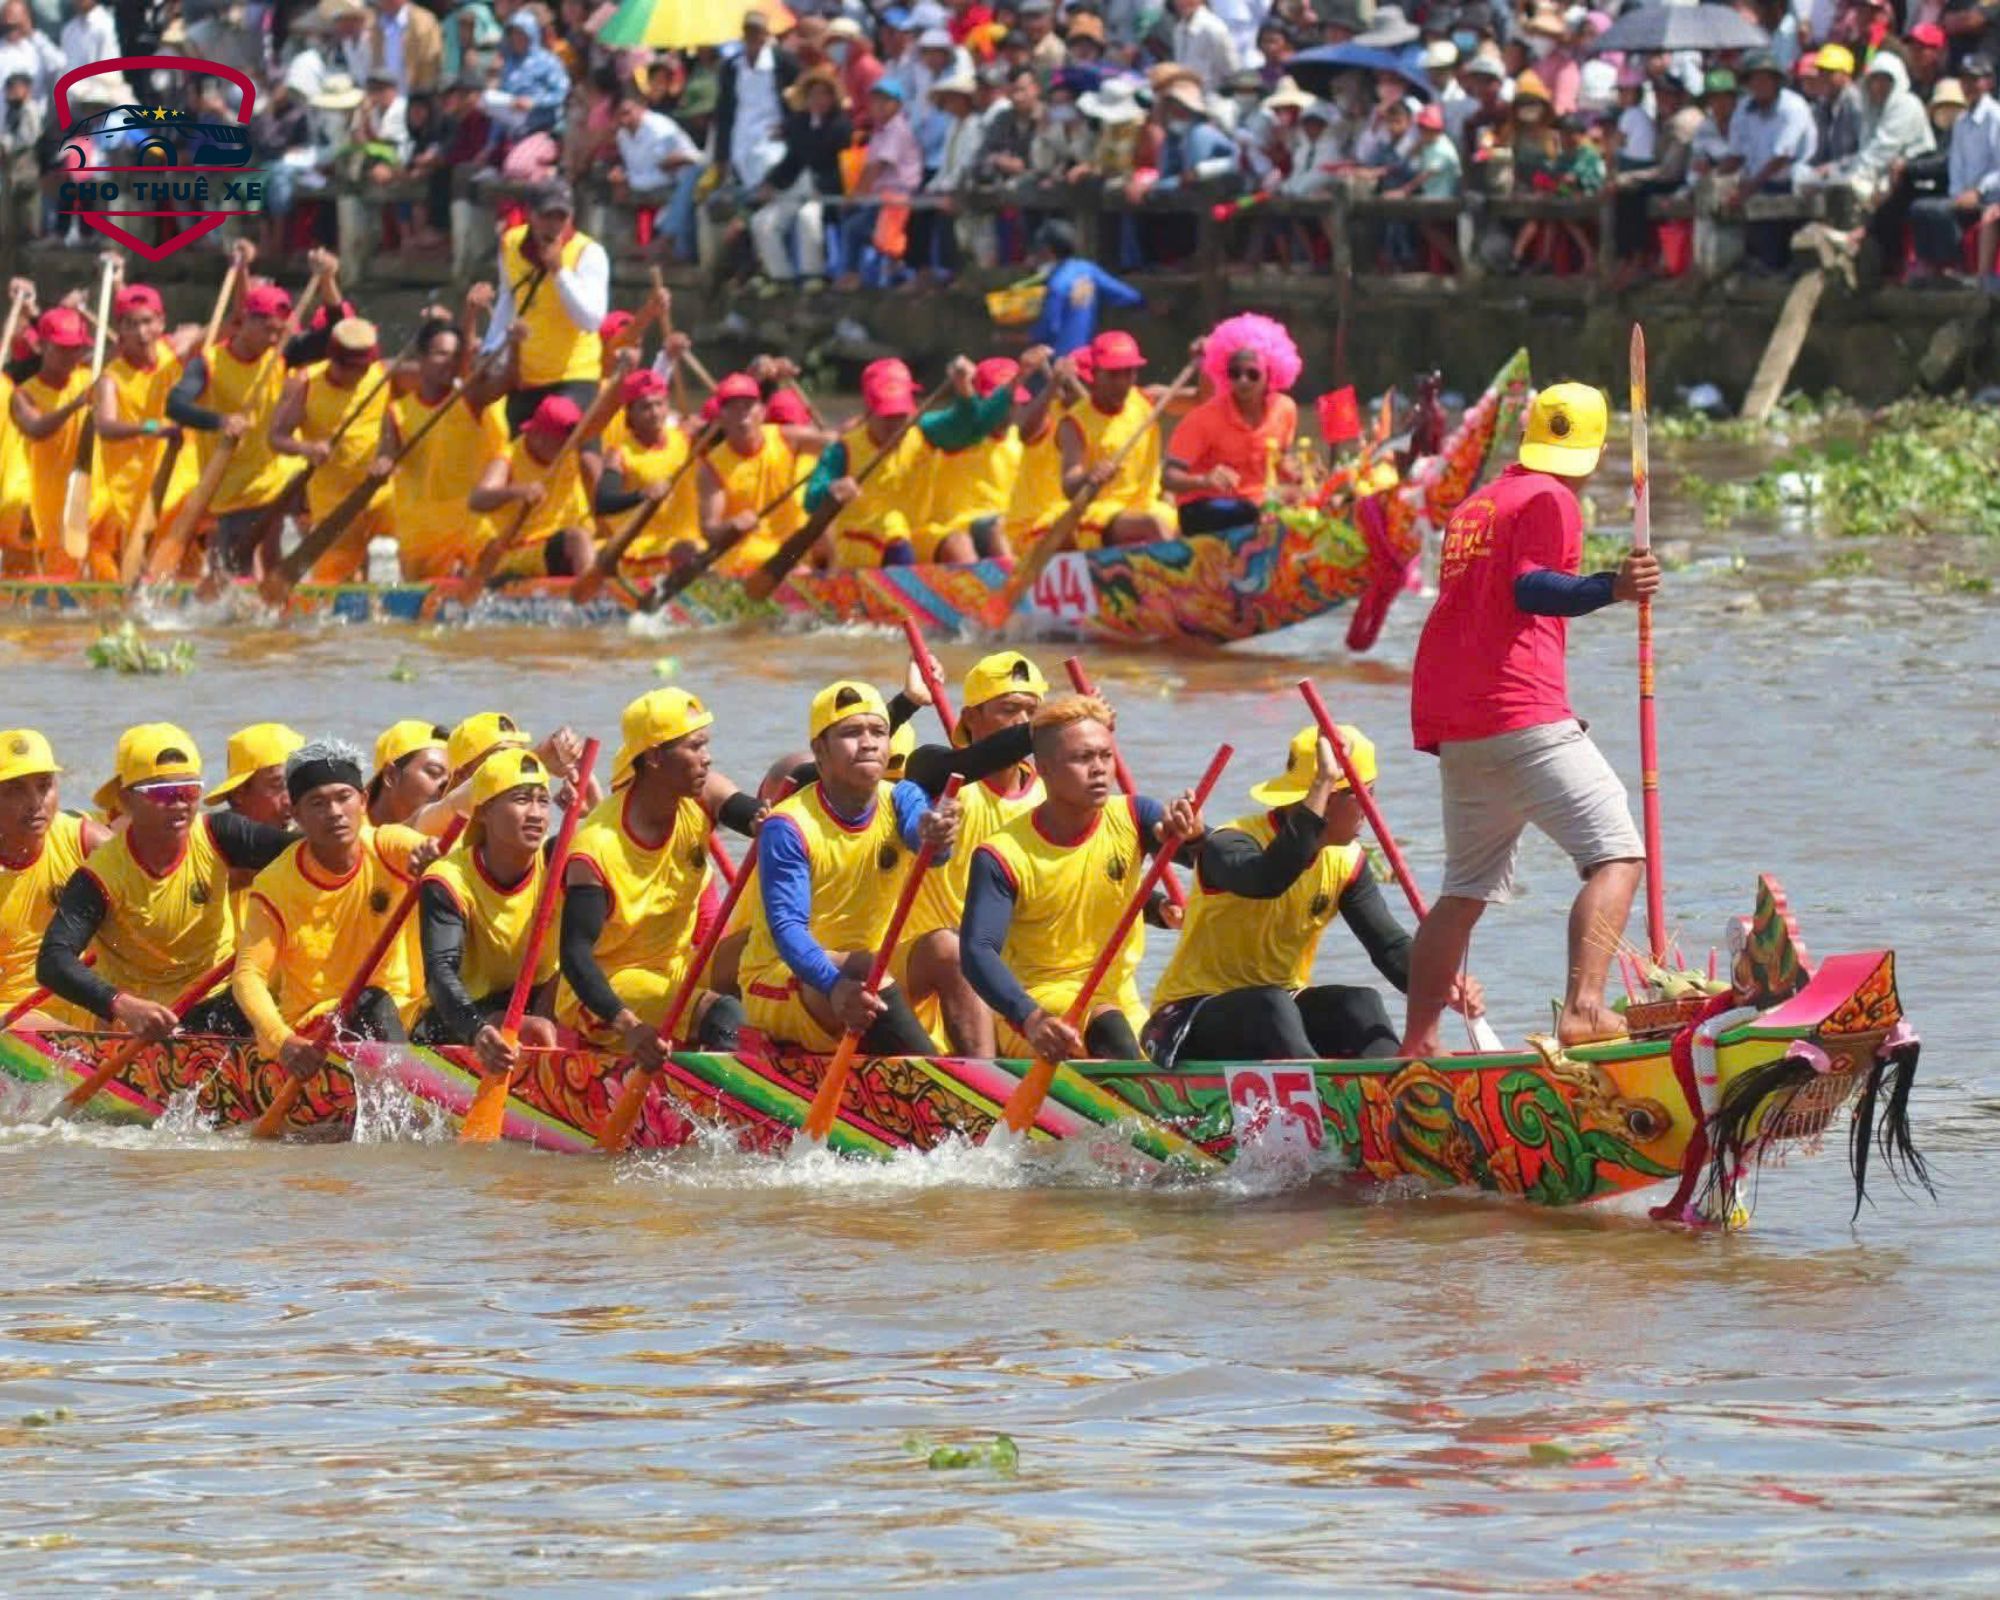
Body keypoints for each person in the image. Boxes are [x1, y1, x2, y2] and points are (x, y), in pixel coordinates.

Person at [1400, 383, 1660, 1057]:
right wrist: (1614, 585)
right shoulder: (1552, 497)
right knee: (1617, 853)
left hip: (1459, 722)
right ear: (1593, 451)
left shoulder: (1479, 503)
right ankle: (1584, 1009)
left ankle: (1419, 1045)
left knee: (1463, 891)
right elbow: (1531, 587)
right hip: (1519, 709)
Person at [1147, 724, 1482, 1065]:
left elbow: (1389, 947)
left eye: (1373, 792)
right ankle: (1325, 1097)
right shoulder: (1229, 843)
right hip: (1186, 1017)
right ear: (1323, 799)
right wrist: (1323, 782)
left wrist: (1442, 984)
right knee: (1269, 1005)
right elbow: (1267, 879)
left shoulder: (1347, 860)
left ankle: (1395, 1090)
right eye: (1363, 793)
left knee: (1359, 1003)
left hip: (1281, 1009)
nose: (1371, 807)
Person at [960, 694, 1202, 1061]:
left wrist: (1194, 835)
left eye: (1105, 756)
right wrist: (1030, 1018)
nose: (1099, 769)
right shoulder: (1001, 854)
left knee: (1193, 1031)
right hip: (1044, 1013)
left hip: (1122, 1000)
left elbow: (1209, 861)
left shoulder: (1136, 816)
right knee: (1109, 1025)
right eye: (1082, 758)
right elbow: (977, 952)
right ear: (1044, 768)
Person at [737, 680, 959, 1054]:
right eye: (852, 733)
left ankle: (990, 1083)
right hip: (782, 979)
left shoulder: (903, 796)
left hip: (872, 972)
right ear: (819, 750)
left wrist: (935, 837)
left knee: (948, 949)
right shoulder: (787, 826)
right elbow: (787, 929)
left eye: (878, 732)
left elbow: (926, 844)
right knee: (861, 966)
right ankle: (941, 1085)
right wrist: (833, 985)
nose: (869, 743)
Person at [37, 724, 295, 1038]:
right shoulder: (99, 876)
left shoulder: (219, 834)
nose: (179, 804)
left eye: (189, 791)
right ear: (126, 799)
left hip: (221, 1000)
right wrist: (120, 1004)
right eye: (161, 793)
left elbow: (303, 851)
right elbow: (53, 961)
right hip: (146, 1022)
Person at [556, 688, 759, 1058]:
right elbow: (574, 956)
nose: (707, 758)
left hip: (677, 969)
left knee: (763, 952)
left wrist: (769, 823)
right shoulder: (596, 848)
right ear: (653, 757)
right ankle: (718, 1110)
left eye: (706, 745)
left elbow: (749, 813)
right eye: (694, 747)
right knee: (724, 1013)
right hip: (609, 989)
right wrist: (627, 1024)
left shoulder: (700, 797)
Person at [229, 740, 435, 1074]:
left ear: (364, 801)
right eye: (318, 803)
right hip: (319, 1030)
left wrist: (435, 861)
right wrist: (282, 1040)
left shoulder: (389, 847)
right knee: (373, 1001)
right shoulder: (275, 884)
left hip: (403, 1014)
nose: (335, 812)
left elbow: (439, 850)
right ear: (296, 815)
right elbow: (248, 976)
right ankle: (411, 1110)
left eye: (343, 797)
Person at [891, 652, 1048, 1055]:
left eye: (1033, 711)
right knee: (956, 951)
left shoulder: (1050, 793)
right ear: (970, 718)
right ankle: (984, 1091)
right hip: (927, 960)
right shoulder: (939, 776)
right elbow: (937, 770)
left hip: (1009, 964)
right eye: (1009, 709)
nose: (1022, 722)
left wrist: (1155, 908)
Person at [414, 745, 563, 1069]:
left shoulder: (559, 862)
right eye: (521, 800)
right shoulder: (448, 880)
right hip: (463, 1013)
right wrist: (478, 1031)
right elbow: (440, 974)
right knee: (534, 1028)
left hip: (541, 1002)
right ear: (483, 811)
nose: (536, 814)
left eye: (542, 800)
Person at [804, 353, 1028, 567]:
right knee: (893, 526)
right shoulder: (843, 449)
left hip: (914, 534)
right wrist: (832, 490)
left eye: (901, 414)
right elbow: (811, 499)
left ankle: (974, 598)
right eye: (888, 415)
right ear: (868, 409)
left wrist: (963, 389)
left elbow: (969, 427)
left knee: (958, 544)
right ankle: (905, 596)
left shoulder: (924, 430)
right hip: (859, 542)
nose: (897, 424)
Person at [168, 279, 307, 578]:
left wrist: (327, 279)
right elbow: (175, 405)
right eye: (267, 330)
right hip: (229, 489)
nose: (273, 338)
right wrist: (220, 421)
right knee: (231, 570)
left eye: (278, 331)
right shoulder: (207, 363)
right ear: (242, 322)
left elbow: (327, 337)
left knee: (271, 552)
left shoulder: (280, 355)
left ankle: (275, 613)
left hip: (269, 481)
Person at [379, 318, 510, 580]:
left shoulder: (471, 400)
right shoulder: (397, 411)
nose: (449, 362)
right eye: (440, 354)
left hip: (470, 528)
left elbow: (506, 381)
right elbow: (386, 455)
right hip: (420, 534)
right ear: (421, 359)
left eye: (454, 356)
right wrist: (382, 465)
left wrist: (513, 343)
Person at [87, 283, 200, 580]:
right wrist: (152, 428)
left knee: (187, 549)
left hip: (179, 475)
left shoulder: (175, 353)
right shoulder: (110, 379)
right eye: (131, 324)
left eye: (147, 322)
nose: (140, 332)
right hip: (132, 484)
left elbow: (231, 326)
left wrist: (239, 270)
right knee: (134, 563)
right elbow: (105, 426)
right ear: (119, 330)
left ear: (161, 323)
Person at [266, 316, 391, 582]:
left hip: (380, 490)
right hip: (333, 501)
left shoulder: (382, 374)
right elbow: (276, 437)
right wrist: (307, 448)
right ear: (335, 360)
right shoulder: (305, 383)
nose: (362, 374)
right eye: (357, 369)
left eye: (366, 367)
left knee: (419, 539)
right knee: (339, 581)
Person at [481, 180, 608, 432]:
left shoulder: (589, 253)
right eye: (547, 216)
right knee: (521, 457)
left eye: (561, 217)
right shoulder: (510, 243)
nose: (554, 226)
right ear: (530, 214)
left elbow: (591, 320)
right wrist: (491, 348)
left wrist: (559, 272)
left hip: (574, 375)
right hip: (526, 376)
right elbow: (509, 297)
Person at [0, 729, 108, 1023]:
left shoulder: (85, 842)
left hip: (93, 1009)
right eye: (15, 790)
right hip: (13, 1020)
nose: (36, 802)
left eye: (44, 786)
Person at [1163, 316, 1299, 535]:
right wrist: (1204, 480)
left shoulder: (1285, 409)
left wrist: (1298, 471)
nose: (1243, 380)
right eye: (1235, 373)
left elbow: (1282, 461)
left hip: (1259, 503)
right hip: (1205, 508)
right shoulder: (1203, 418)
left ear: (1270, 374)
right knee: (1246, 514)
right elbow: (1168, 478)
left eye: (1252, 373)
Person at [1056, 330, 1175, 548]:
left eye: (1128, 373)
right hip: (1101, 513)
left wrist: (1208, 361)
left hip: (1147, 506)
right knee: (1152, 525)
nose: (1122, 382)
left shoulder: (1147, 400)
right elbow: (1069, 486)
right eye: (1113, 374)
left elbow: (1202, 398)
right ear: (1095, 373)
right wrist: (1090, 476)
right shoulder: (1074, 423)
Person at [7, 305, 101, 575]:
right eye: (63, 348)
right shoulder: (23, 395)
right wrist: (75, 405)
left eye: (77, 348)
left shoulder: (89, 379)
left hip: (83, 497)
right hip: (40, 503)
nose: (71, 355)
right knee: (44, 582)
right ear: (42, 347)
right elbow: (36, 428)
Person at [693, 371, 815, 576]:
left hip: (793, 554)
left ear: (762, 411)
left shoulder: (787, 437)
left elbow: (841, 442)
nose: (743, 416)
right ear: (721, 417)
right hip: (744, 559)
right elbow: (710, 532)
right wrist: (732, 526)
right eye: (733, 408)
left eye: (748, 406)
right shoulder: (711, 467)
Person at [467, 393, 599, 578]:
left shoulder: (573, 452)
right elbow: (477, 499)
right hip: (523, 549)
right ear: (538, 435)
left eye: (570, 441)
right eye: (561, 442)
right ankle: (592, 600)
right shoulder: (507, 459)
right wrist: (517, 492)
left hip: (571, 544)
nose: (567, 448)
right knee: (578, 539)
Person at [749, 65, 850, 290]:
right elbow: (792, 160)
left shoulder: (841, 126)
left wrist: (823, 187)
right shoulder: (799, 123)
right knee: (763, 221)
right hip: (796, 186)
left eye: (824, 94)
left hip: (825, 188)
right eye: (814, 95)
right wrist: (770, 183)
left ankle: (813, 274)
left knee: (808, 218)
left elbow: (840, 166)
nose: (818, 100)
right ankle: (780, 276)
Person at [592, 368, 701, 571]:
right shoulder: (619, 455)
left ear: (667, 405)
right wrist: (642, 495)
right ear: (630, 414)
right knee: (686, 552)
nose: (655, 413)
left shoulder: (686, 438)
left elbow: (730, 422)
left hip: (690, 541)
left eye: (659, 404)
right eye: (645, 407)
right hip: (640, 547)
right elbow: (603, 502)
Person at [922, 356, 1029, 560]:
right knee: (995, 528)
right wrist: (963, 386)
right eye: (1002, 402)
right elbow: (965, 416)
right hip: (960, 526)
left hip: (1007, 523)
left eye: (1015, 403)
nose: (1008, 409)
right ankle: (1016, 587)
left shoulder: (1020, 440)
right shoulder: (960, 434)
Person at [1721, 51, 1817, 272]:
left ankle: (1774, 264)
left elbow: (1782, 156)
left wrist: (1749, 188)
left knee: (1765, 206)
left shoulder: (1793, 107)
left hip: (1791, 181)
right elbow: (1735, 154)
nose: (1759, 84)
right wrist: (1714, 180)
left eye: (1765, 79)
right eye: (1754, 79)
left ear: (1776, 81)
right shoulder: (1744, 109)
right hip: (1756, 180)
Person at [1912, 57, 2000, 282]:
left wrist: (1978, 191)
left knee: (1941, 211)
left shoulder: (1996, 118)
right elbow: (1957, 166)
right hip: (1966, 194)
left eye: (1975, 80)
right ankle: (1933, 267)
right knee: (1921, 208)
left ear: (1988, 82)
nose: (1969, 85)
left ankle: (1958, 266)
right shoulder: (1961, 121)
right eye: (1965, 80)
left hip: (1990, 195)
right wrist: (1958, 195)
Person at [1027, 219, 1144, 357]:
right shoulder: (1087, 269)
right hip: (1087, 359)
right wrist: (1147, 305)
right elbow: (1129, 296)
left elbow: (1049, 329)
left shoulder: (1056, 285)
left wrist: (1016, 337)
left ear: (1047, 251)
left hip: (1061, 363)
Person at [205, 724, 305, 829]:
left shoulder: (310, 839)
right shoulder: (210, 840)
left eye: (299, 785)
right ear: (238, 794)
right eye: (278, 785)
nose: (290, 802)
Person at [366, 720, 450, 826]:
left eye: (453, 778)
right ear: (391, 775)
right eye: (434, 772)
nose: (447, 785)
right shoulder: (345, 836)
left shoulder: (449, 837)